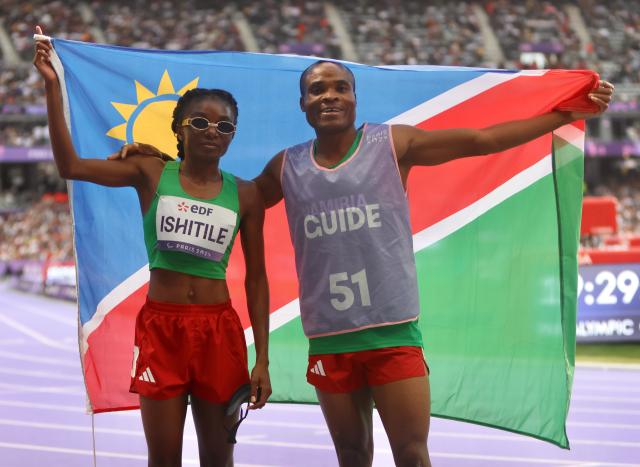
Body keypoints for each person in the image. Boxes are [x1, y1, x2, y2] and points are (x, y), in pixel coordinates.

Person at [121, 60, 614, 467]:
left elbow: (482, 140)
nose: (329, 96)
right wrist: (162, 162)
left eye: (340, 87)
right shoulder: (286, 167)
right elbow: (226, 196)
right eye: (317, 89)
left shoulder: (393, 144)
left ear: (356, 97)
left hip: (391, 333)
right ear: (303, 104)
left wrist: (561, 116)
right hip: (330, 337)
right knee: (352, 455)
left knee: (412, 455)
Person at [34, 27, 271, 467]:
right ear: (180, 129)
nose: (212, 130)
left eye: (224, 125)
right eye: (200, 121)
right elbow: (69, 165)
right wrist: (52, 85)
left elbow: (257, 277)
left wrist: (263, 360)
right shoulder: (149, 172)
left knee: (219, 459)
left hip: (220, 333)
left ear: (233, 135)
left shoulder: (247, 194)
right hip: (162, 329)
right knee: (163, 459)